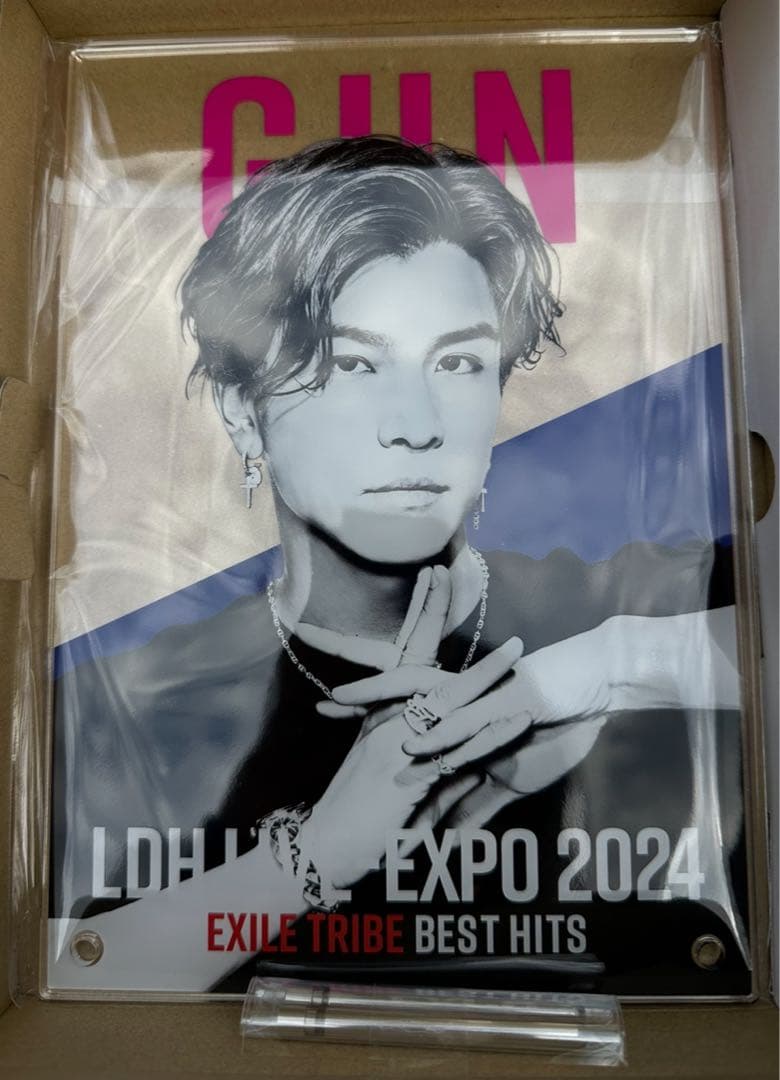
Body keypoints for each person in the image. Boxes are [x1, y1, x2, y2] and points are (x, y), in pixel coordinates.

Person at [50, 136, 747, 996]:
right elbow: (59, 990)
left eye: (457, 363)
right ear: (242, 411)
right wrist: (314, 855)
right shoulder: (134, 698)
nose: (416, 425)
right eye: (353, 364)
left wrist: (615, 663)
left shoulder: (629, 603)